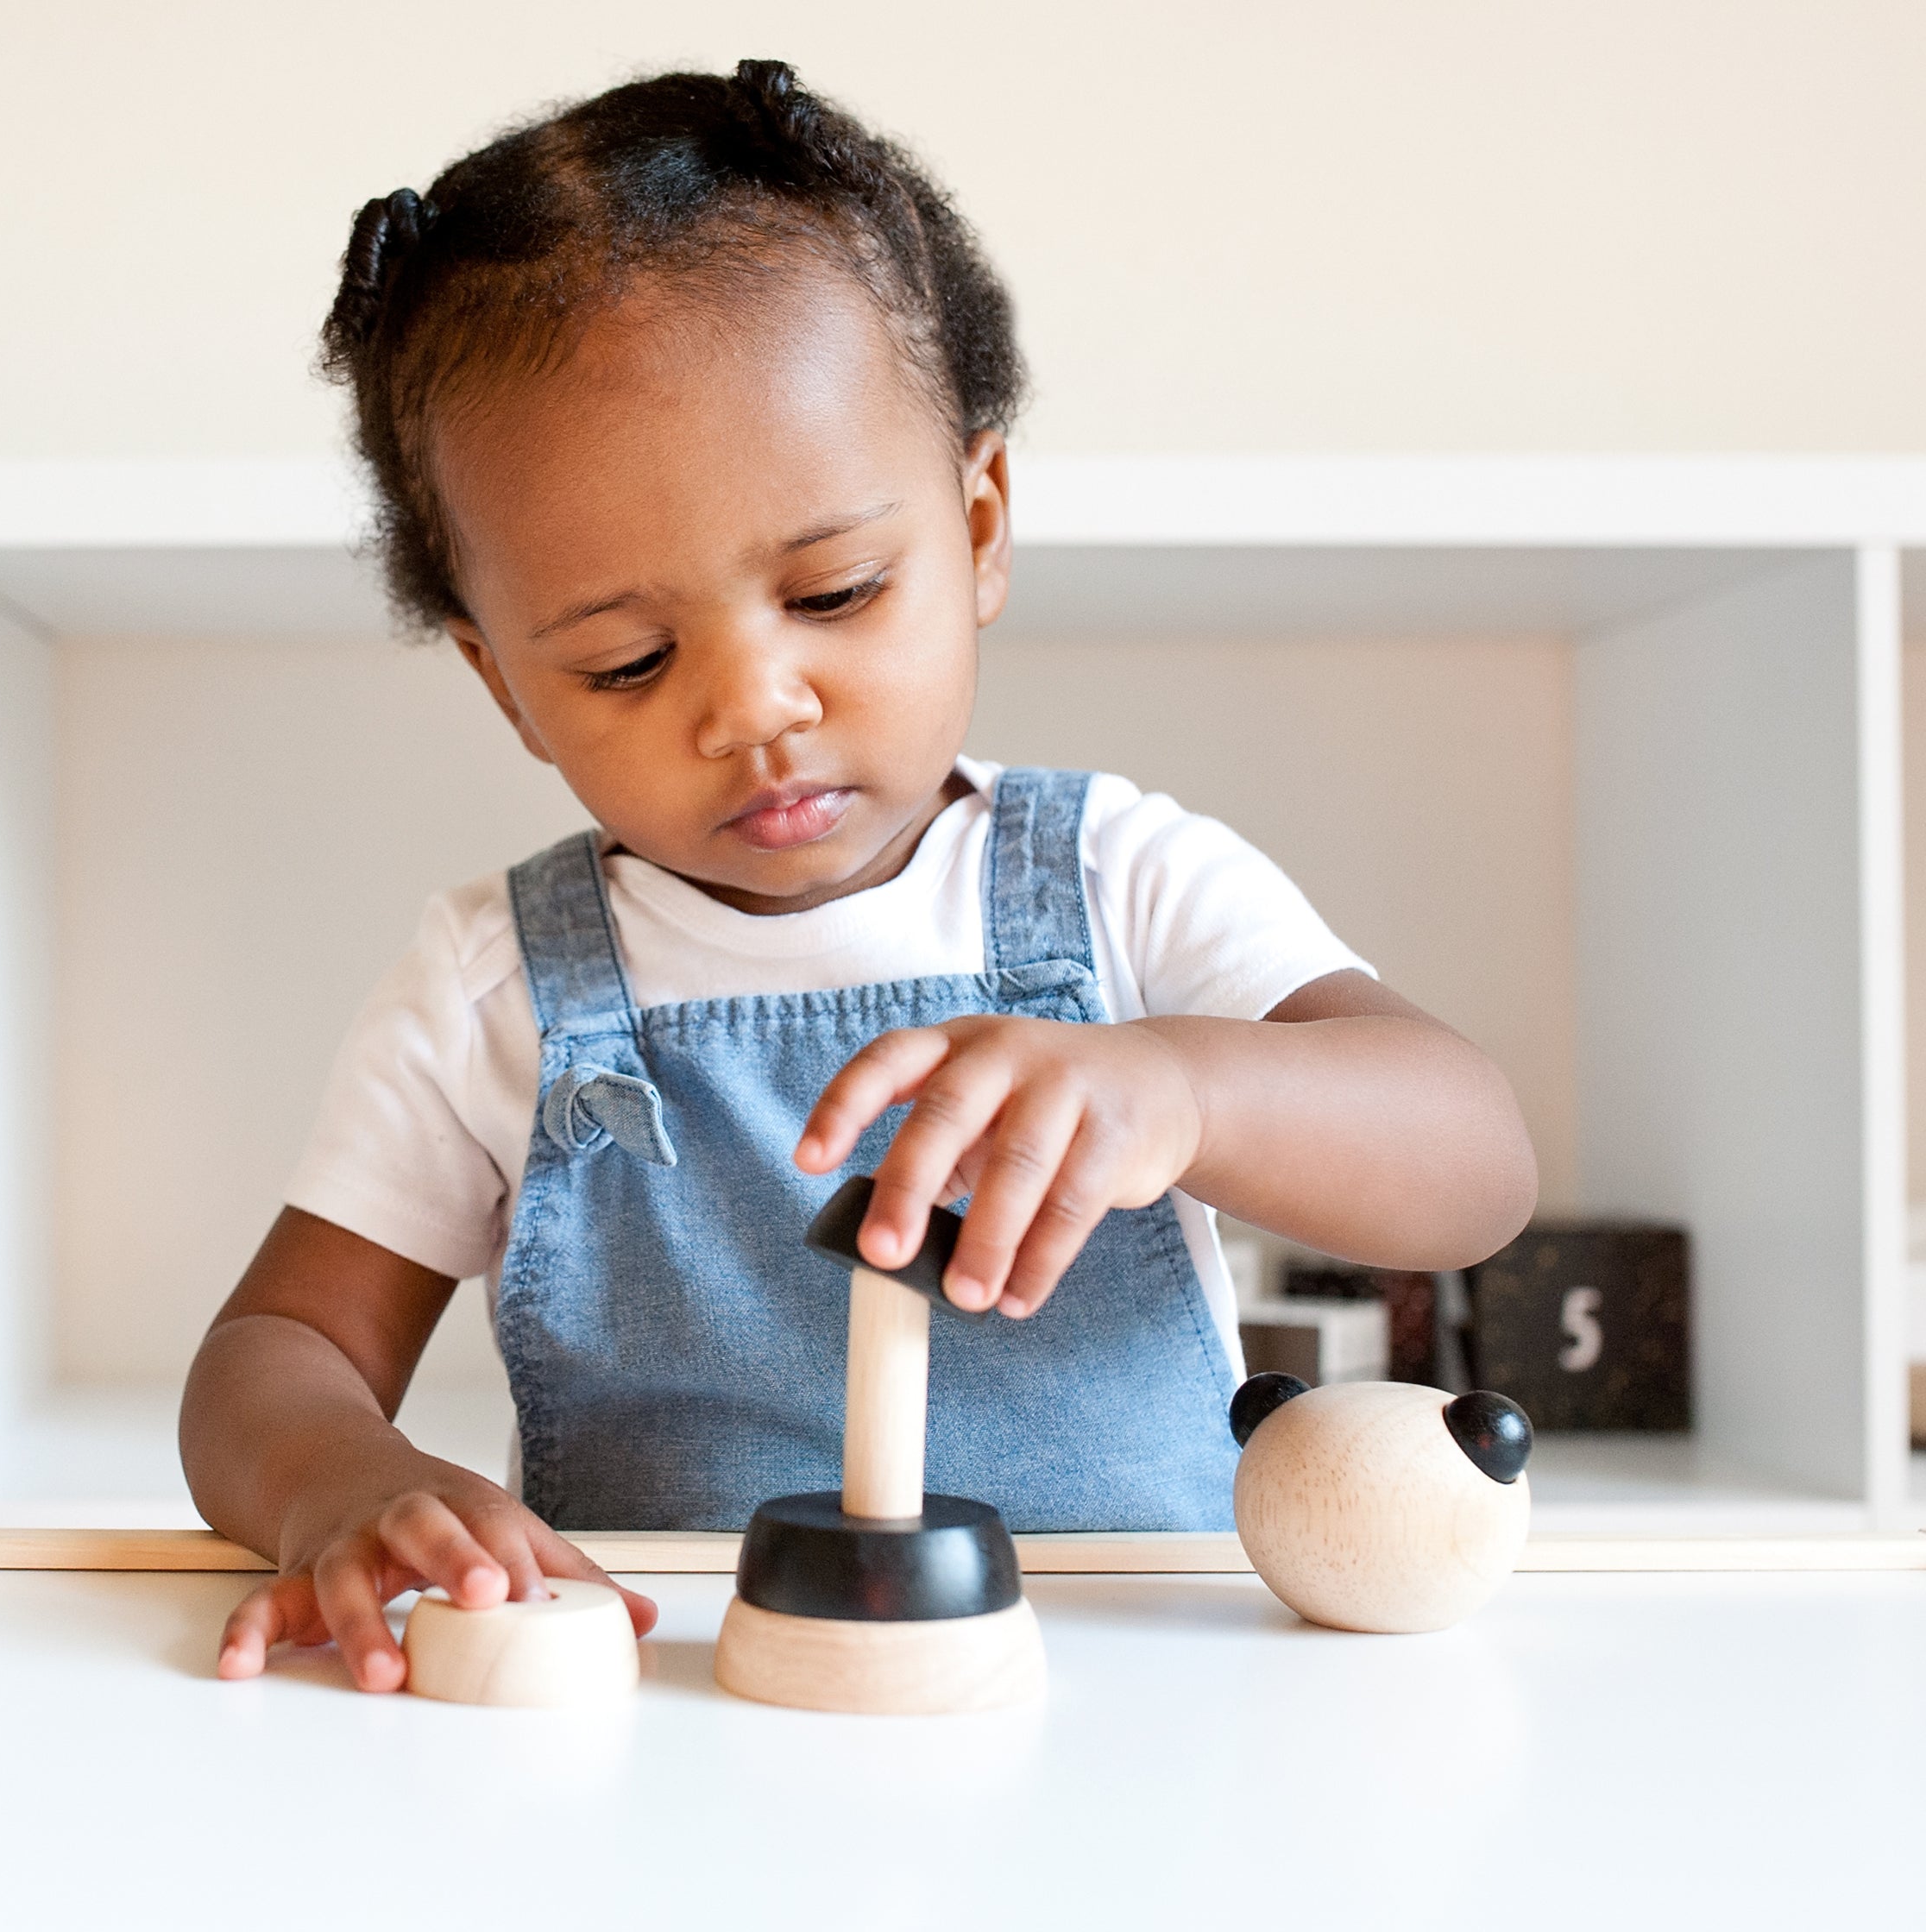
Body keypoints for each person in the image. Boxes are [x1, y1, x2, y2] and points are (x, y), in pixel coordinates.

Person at [183, 60, 1537, 1693]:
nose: (752, 707)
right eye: (623, 663)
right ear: (502, 685)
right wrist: (342, 1478)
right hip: (698, 1708)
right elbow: (278, 1352)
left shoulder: (1117, 883)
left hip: (1146, 1685)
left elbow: (1474, 1165)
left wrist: (1184, 1089)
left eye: (833, 591)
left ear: (977, 529)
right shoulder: (493, 987)